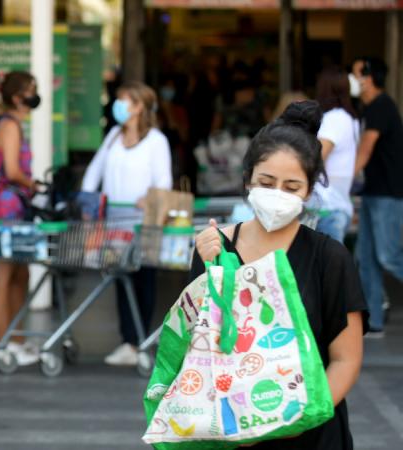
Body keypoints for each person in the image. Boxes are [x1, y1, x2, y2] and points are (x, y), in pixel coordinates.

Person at [194, 101, 366, 449]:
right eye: (266, 182)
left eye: (291, 187)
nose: (277, 195)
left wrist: (297, 420)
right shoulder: (215, 249)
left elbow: (346, 359)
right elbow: (196, 349)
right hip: (232, 434)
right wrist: (206, 272)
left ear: (308, 190)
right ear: (248, 180)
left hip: (312, 435)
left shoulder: (329, 258)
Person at [81, 81, 172, 366]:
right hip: (114, 223)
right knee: (121, 279)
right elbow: (94, 171)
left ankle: (138, 339)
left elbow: (164, 181)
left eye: (125, 101)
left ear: (140, 106)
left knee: (143, 278)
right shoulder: (113, 137)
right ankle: (127, 341)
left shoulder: (156, 141)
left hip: (142, 223)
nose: (118, 106)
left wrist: (150, 199)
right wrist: (88, 200)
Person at [0, 71, 41, 366]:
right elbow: (11, 170)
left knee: (21, 273)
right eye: (31, 90)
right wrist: (33, 184)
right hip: (7, 205)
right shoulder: (10, 126)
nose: (35, 95)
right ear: (17, 97)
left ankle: (17, 339)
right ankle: (2, 342)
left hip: (15, 204)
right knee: (5, 274)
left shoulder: (13, 124)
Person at [353, 57, 403, 337]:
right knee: (366, 257)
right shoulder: (371, 107)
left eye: (356, 73)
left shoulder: (381, 106)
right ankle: (373, 322)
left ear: (369, 78)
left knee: (388, 256)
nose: (353, 78)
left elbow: (365, 149)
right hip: (374, 192)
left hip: (388, 194)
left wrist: (342, 181)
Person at [312, 68, 359, 242]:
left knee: (326, 268)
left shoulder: (333, 119)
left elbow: (316, 159)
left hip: (327, 208)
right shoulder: (350, 119)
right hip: (340, 207)